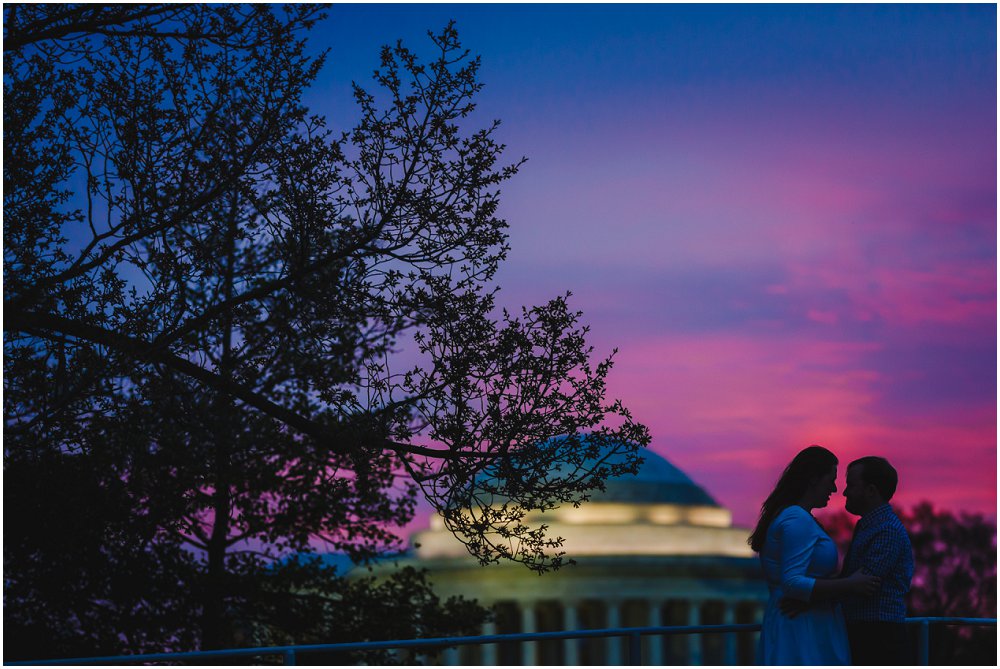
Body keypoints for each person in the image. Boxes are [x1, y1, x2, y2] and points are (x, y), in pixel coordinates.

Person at [749, 446, 880, 665]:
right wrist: (851, 584)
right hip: (801, 630)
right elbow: (792, 582)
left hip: (804, 624)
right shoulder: (796, 518)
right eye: (831, 479)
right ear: (813, 480)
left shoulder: (797, 517)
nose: (835, 488)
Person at [840, 456, 915, 665]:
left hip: (879, 637)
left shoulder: (887, 530)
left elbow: (862, 585)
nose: (845, 492)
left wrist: (811, 595)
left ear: (871, 490)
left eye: (851, 485)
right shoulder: (870, 526)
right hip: (870, 633)